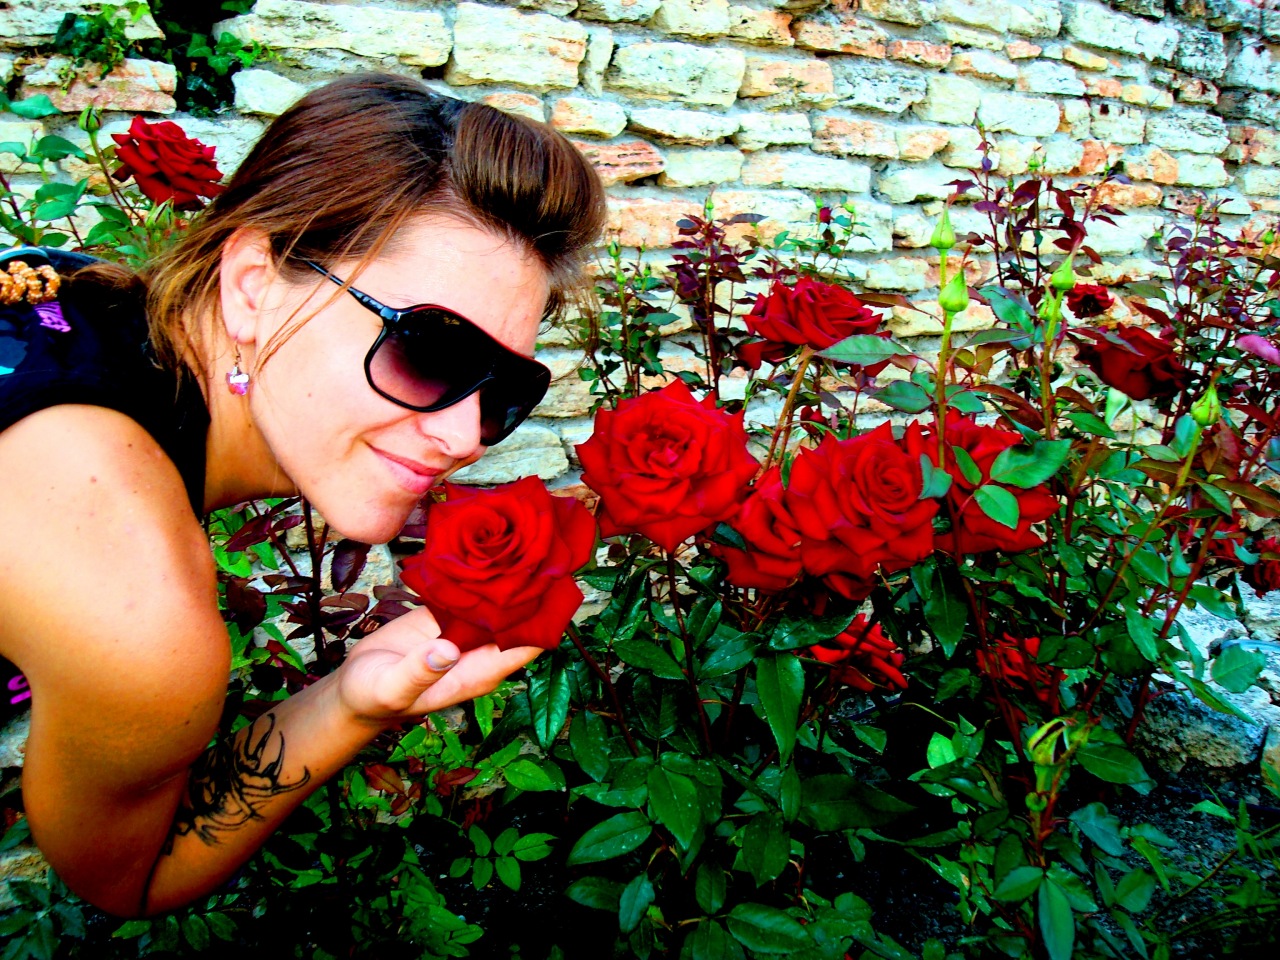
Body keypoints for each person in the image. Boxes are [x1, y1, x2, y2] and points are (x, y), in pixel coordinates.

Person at [0, 73, 605, 917]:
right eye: (430, 349)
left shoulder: (65, 296)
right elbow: (130, 878)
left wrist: (356, 700)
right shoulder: (135, 608)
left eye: (504, 389)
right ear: (252, 282)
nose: (466, 436)